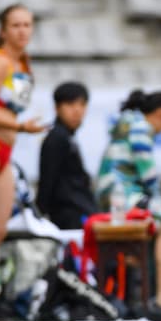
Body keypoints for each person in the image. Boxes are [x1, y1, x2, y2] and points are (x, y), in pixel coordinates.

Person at [95, 89, 161, 321]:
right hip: (122, 195)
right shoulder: (140, 127)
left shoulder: (126, 124)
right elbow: (148, 174)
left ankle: (146, 297)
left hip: (112, 195)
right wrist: (160, 200)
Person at [0, 4, 46, 321]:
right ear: (4, 30)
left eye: (27, 25)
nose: (22, 31)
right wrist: (20, 128)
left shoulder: (22, 64)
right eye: (16, 25)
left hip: (5, 154)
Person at [36, 81, 97, 230]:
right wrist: (38, 215)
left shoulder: (67, 137)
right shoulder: (56, 137)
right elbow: (47, 180)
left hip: (79, 212)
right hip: (69, 216)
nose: (77, 111)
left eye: (82, 105)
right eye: (70, 104)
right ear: (57, 108)